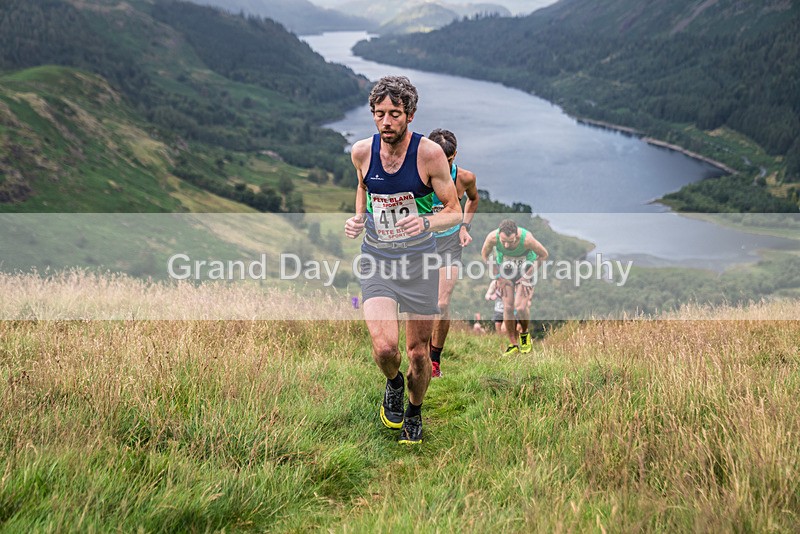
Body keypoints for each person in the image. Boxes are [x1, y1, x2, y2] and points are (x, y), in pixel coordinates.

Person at [344, 76, 461, 444]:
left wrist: (425, 220)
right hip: (378, 257)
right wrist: (359, 216)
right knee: (384, 348)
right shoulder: (362, 152)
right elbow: (363, 184)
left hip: (419, 262)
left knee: (417, 354)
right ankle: (394, 384)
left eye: (395, 113)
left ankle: (414, 409)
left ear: (410, 114)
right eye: (380, 114)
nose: (386, 121)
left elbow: (454, 210)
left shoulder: (429, 155)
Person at [427, 128, 479, 378]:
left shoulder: (465, 177)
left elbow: (473, 199)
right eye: (438, 159)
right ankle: (417, 350)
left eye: (448, 161)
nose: (444, 166)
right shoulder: (419, 175)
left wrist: (464, 227)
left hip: (449, 244)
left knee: (442, 303)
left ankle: (434, 360)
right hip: (421, 245)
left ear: (454, 155)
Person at [480, 218, 548, 354]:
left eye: (509, 242)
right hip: (506, 271)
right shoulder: (492, 238)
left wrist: (526, 276)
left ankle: (524, 333)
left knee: (521, 307)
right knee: (508, 307)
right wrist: (497, 276)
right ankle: (513, 344)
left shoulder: (527, 240)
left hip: (526, 269)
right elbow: (485, 255)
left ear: (516, 236)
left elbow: (544, 255)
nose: (505, 245)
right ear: (499, 234)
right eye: (503, 241)